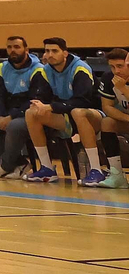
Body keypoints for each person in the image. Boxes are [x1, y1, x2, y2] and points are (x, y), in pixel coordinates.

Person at [25, 37, 100, 182]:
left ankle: (96, 169)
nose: (50, 54)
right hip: (67, 116)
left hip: (92, 115)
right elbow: (42, 97)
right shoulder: (46, 70)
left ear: (65, 53)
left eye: (54, 51)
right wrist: (38, 104)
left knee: (77, 112)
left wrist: (51, 107)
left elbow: (82, 101)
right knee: (31, 113)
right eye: (47, 51)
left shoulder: (80, 68)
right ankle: (47, 169)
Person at [0, 36, 47, 178]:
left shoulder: (38, 70)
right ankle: (20, 163)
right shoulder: (2, 68)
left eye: (16, 47)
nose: (12, 50)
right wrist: (0, 116)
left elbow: (35, 100)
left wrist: (11, 116)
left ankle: (5, 166)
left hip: (30, 115)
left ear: (26, 50)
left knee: (14, 126)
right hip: (7, 113)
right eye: (9, 47)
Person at [72, 48, 129, 188]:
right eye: (112, 66)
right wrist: (127, 119)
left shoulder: (121, 84)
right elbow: (107, 107)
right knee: (107, 123)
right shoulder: (109, 78)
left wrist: (124, 90)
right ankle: (117, 175)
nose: (116, 71)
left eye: (120, 66)